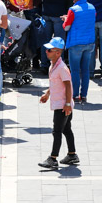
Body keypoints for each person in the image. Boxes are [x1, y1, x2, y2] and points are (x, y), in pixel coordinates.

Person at [37, 37, 78, 169]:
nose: (46, 52)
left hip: (62, 105)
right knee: (66, 129)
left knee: (57, 131)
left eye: (49, 50)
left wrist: (67, 104)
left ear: (58, 52)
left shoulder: (61, 68)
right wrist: (47, 94)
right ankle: (72, 155)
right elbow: (55, 83)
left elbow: (68, 86)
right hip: (61, 103)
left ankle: (53, 158)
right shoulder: (53, 65)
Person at [63, 0, 96, 103]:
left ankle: (75, 95)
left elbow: (66, 27)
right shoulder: (92, 8)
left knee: (75, 70)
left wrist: (65, 19)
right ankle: (84, 95)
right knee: (85, 70)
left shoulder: (73, 10)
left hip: (76, 43)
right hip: (89, 42)